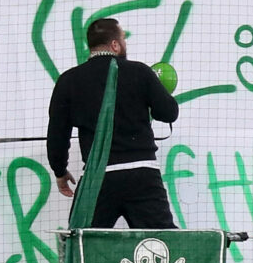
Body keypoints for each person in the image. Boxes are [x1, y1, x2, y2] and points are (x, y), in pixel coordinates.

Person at [44, 15, 180, 228]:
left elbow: (57, 135)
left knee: (84, 245)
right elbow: (169, 113)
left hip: (98, 179)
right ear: (115, 44)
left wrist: (59, 170)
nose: (125, 44)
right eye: (124, 39)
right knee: (161, 246)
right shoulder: (140, 72)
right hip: (142, 174)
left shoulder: (69, 80)